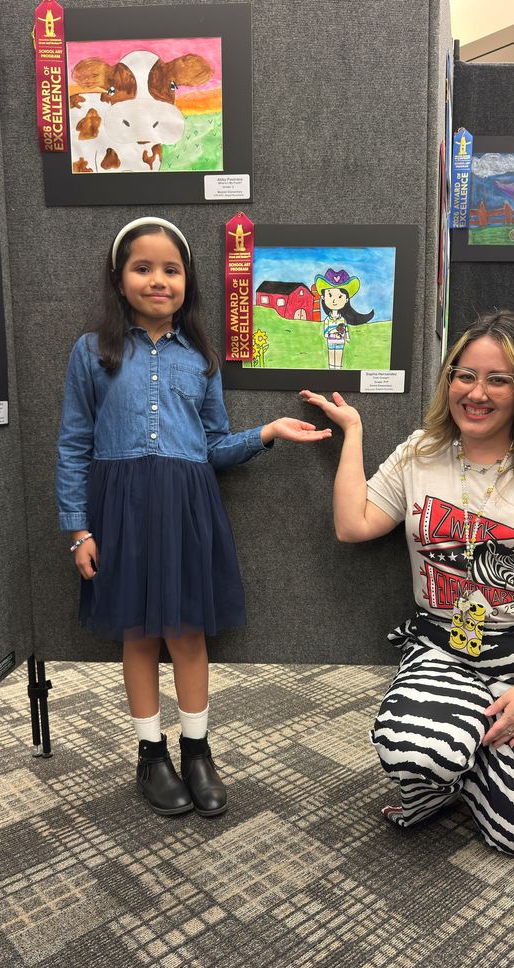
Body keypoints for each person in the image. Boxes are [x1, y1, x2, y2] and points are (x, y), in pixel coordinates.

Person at [301, 310, 514, 855]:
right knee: (412, 749)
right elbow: (353, 524)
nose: (477, 392)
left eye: (498, 379)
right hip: (445, 645)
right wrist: (352, 433)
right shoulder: (420, 453)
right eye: (464, 375)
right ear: (449, 380)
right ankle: (463, 763)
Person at [57, 217, 331, 819]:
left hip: (187, 507)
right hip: (119, 509)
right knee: (139, 632)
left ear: (189, 281)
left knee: (187, 633)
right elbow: (74, 443)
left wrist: (266, 432)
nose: (159, 280)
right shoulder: (91, 351)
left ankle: (197, 748)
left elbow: (210, 447)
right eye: (143, 267)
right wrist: (78, 527)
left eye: (172, 269)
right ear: (118, 277)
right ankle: (150, 755)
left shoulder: (202, 357)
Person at [314, 268, 374, 370]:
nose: (334, 300)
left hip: (340, 342)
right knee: (331, 356)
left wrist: (347, 337)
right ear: (323, 297)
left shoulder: (343, 320)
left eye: (340, 297)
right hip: (330, 341)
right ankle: (331, 368)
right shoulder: (327, 320)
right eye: (330, 295)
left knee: (339, 356)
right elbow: (325, 332)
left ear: (346, 299)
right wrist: (328, 334)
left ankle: (338, 369)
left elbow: (345, 329)